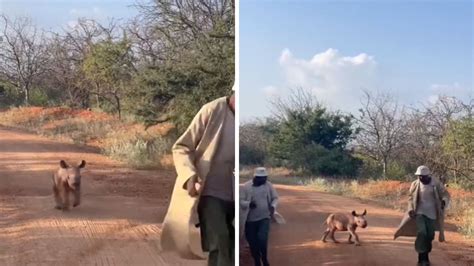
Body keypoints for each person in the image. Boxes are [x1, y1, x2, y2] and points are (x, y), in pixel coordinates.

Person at [161, 85, 235, 266]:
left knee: (232, 246)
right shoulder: (213, 110)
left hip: (236, 193)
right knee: (220, 241)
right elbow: (181, 147)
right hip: (210, 190)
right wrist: (189, 174)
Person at [394, 165, 450, 266]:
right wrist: (411, 209)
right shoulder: (415, 184)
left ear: (428, 175)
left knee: (430, 236)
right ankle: (421, 258)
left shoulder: (435, 183)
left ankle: (425, 257)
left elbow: (445, 194)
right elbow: (410, 198)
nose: (421, 178)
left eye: (423, 176)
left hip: (432, 214)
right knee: (422, 233)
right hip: (419, 212)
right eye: (419, 176)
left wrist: (444, 201)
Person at [240, 167, 279, 266]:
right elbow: (240, 201)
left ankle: (264, 259)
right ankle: (257, 261)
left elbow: (275, 198)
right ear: (255, 177)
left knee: (262, 239)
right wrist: (249, 204)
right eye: (261, 178)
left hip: (264, 218)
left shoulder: (268, 185)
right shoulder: (246, 186)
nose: (263, 180)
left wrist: (273, 206)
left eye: (265, 177)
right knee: (252, 243)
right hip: (250, 220)